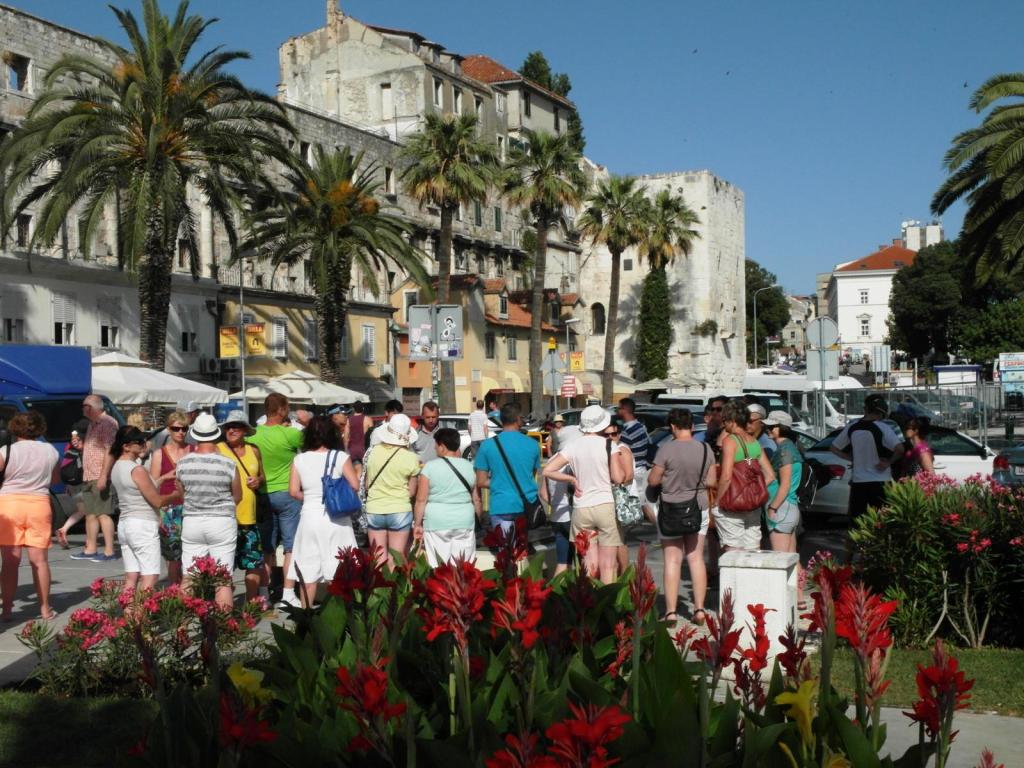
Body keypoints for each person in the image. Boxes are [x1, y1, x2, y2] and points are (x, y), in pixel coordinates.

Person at [542, 405, 628, 584]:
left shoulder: (573, 446)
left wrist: (571, 480)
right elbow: (618, 477)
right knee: (608, 564)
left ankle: (590, 601)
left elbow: (548, 470)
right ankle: (607, 602)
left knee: (588, 563)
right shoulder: (609, 445)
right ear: (602, 425)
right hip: (605, 504)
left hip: (581, 507)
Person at [646, 408, 715, 625]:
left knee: (672, 559)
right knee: (695, 558)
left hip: (670, 508)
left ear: (672, 427)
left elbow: (653, 481)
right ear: (692, 426)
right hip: (698, 505)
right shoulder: (705, 448)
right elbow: (712, 481)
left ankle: (671, 611)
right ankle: (700, 609)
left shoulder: (666, 449)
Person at [288, 415, 359, 607]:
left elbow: (293, 491)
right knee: (338, 570)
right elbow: (355, 485)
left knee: (308, 571)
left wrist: (311, 497)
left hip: (309, 517)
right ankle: (341, 615)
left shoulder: (299, 459)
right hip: (336, 519)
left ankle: (306, 617)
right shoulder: (340, 457)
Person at [176, 413, 241, 610]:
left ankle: (181, 628)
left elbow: (182, 494)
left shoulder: (184, 463)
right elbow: (237, 496)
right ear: (216, 434)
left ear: (195, 435)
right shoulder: (228, 463)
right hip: (221, 522)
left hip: (192, 521)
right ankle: (223, 629)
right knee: (222, 579)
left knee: (189, 576)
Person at [0, 412, 60, 622]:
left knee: (9, 562)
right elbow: (54, 479)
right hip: (39, 504)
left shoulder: (6, 451)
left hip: (9, 505)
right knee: (40, 561)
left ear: (15, 428)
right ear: (40, 428)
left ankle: (7, 610)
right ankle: (45, 609)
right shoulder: (50, 451)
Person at [247, 393, 304, 607]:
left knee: (266, 547)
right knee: (290, 546)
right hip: (288, 495)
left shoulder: (253, 435)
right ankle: (288, 594)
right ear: (281, 410)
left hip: (262, 494)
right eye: (286, 408)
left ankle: (264, 593)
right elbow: (313, 443)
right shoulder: (290, 435)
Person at [109, 426, 177, 594]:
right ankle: (140, 616)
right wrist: (176, 495)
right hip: (142, 525)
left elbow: (136, 489)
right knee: (150, 576)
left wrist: (161, 479)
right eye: (138, 442)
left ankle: (129, 614)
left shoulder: (117, 466)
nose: (143, 444)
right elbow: (157, 501)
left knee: (132, 576)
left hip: (125, 524)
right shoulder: (137, 469)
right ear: (126, 446)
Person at [413, 427, 481, 567]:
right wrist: (477, 520)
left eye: (436, 445)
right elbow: (477, 499)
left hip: (436, 521)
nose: (434, 447)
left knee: (438, 565)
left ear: (442, 447)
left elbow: (421, 500)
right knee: (463, 567)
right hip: (464, 520)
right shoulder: (469, 467)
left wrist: (417, 524)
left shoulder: (429, 468)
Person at [475, 402, 544, 536]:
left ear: (501, 420)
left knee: (505, 552)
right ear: (518, 419)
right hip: (525, 504)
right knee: (521, 551)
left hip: (501, 504)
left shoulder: (487, 446)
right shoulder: (533, 444)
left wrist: (499, 481)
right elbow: (530, 475)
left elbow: (481, 481)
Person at [830, 393, 904, 519]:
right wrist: (889, 462)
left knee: (859, 521)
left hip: (859, 481)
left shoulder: (852, 427)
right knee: (881, 520)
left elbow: (834, 448)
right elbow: (900, 449)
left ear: (866, 409)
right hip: (881, 481)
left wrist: (852, 458)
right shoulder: (883, 427)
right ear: (882, 413)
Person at [218, 411, 266, 601]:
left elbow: (263, 476)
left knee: (253, 563)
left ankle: (250, 605)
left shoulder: (254, 450)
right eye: (229, 427)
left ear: (245, 429)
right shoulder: (217, 449)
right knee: (223, 567)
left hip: (249, 517)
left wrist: (258, 481)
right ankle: (223, 605)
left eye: (236, 426)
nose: (232, 430)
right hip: (225, 517)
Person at [714, 402, 776, 552]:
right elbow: (771, 476)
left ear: (732, 421)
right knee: (752, 549)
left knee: (733, 550)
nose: (723, 425)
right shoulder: (755, 442)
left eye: (724, 421)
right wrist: (752, 492)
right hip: (753, 506)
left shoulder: (730, 441)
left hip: (732, 507)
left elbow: (727, 476)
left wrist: (717, 501)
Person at [364, 413, 421, 568]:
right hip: (400, 509)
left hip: (375, 508)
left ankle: (377, 590)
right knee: (395, 559)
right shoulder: (411, 458)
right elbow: (411, 491)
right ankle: (394, 591)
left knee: (377, 559)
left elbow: (367, 484)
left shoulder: (372, 452)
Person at [69, 394, 119, 562]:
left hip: (100, 474)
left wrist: (104, 476)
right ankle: (90, 549)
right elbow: (96, 449)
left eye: (85, 405)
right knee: (90, 513)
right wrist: (82, 446)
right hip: (89, 475)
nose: (83, 408)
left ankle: (109, 551)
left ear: (93, 407)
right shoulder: (93, 424)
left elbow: (109, 450)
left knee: (103, 513)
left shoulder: (108, 423)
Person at [763, 411, 804, 605]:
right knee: (791, 557)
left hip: (782, 508)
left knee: (781, 560)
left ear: (783, 428)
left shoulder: (785, 451)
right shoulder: (788, 448)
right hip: (789, 507)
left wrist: (773, 507)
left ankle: (781, 601)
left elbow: (785, 484)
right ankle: (799, 598)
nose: (768, 429)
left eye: (772, 426)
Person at [147, 411, 192, 584]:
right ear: (169, 430)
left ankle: (191, 592)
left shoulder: (194, 450)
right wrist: (166, 476)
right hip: (168, 508)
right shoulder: (160, 454)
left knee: (192, 553)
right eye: (176, 428)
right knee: (173, 557)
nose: (180, 432)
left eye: (184, 429)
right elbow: (153, 484)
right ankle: (175, 590)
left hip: (191, 507)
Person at [545, 425, 579, 576]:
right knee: (581, 561)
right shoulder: (570, 460)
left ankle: (556, 595)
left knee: (562, 562)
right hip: (571, 514)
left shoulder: (551, 460)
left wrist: (554, 503)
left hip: (556, 516)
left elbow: (543, 493)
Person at [618, 398, 651, 515]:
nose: (618, 411)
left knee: (637, 503)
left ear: (625, 409)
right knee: (643, 502)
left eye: (619, 408)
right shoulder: (641, 426)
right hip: (642, 467)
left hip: (633, 469)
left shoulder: (628, 431)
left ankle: (658, 527)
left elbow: (621, 452)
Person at [347, 401, 370, 467]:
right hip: (364, 450)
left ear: (353, 409)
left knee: (356, 470)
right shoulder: (368, 419)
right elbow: (372, 435)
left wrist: (346, 450)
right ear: (363, 408)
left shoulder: (349, 420)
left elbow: (346, 438)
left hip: (353, 450)